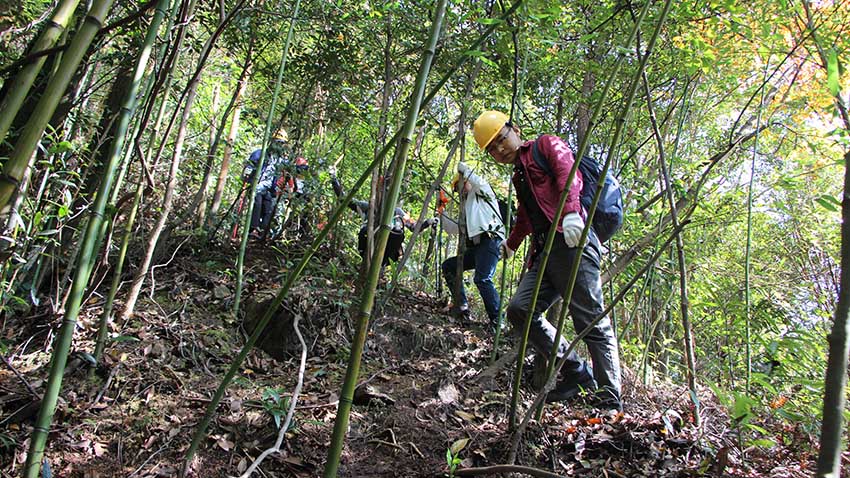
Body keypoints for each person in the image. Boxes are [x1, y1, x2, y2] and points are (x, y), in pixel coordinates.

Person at [473, 110, 622, 410]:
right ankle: (576, 372)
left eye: (502, 139)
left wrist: (570, 213)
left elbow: (569, 174)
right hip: (544, 253)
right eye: (493, 148)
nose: (501, 149)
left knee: (590, 318)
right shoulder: (519, 175)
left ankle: (609, 397)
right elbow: (527, 217)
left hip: (572, 241)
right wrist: (512, 243)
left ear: (514, 130)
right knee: (520, 309)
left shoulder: (546, 145)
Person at [440, 162, 505, 331]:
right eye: (455, 188)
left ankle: (498, 322)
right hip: (476, 248)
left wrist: (463, 169)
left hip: (491, 240)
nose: (458, 190)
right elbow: (452, 229)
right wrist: (442, 211)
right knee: (449, 266)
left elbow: (480, 182)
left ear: (466, 180)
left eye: (459, 185)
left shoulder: (482, 193)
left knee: (482, 279)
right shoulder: (466, 207)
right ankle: (461, 305)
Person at [242, 131, 290, 238]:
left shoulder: (280, 159)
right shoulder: (260, 153)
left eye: (282, 143)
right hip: (256, 186)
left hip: (269, 189)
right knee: (257, 205)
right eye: (278, 142)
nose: (280, 145)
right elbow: (250, 165)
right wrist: (248, 172)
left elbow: (289, 167)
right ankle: (253, 229)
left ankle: (262, 231)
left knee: (269, 210)